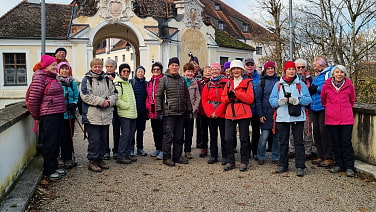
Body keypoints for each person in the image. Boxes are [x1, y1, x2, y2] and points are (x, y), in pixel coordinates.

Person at [269, 61, 312, 177]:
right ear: (285, 71)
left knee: (299, 142)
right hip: (282, 117)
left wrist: (298, 100)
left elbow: (308, 99)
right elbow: (271, 101)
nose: (291, 71)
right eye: (289, 69)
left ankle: (300, 166)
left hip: (297, 116)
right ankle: (283, 164)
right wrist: (279, 102)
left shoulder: (300, 84)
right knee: (283, 142)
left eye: (293, 69)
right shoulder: (278, 84)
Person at [27, 55, 66, 180]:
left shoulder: (53, 78)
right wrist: (37, 116)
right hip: (48, 115)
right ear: (45, 66)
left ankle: (54, 167)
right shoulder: (40, 78)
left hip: (57, 113)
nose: (55, 67)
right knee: (49, 143)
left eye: (55, 64)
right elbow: (33, 100)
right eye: (53, 65)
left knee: (56, 142)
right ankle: (49, 170)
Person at [80, 58, 117, 172]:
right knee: (94, 139)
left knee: (103, 139)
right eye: (95, 66)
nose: (97, 68)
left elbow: (115, 93)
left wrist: (109, 101)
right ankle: (92, 160)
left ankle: (100, 159)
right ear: (91, 67)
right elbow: (85, 95)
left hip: (105, 115)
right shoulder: (87, 80)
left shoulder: (107, 80)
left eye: (99, 66)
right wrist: (101, 102)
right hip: (92, 115)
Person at [156, 57, 192, 167]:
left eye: (176, 65)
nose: (174, 67)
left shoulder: (182, 79)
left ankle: (177, 156)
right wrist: (159, 111)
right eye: (172, 65)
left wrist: (189, 110)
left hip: (181, 112)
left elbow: (187, 96)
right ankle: (166, 157)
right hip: (169, 113)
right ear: (169, 66)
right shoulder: (164, 79)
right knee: (168, 136)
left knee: (179, 136)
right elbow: (159, 96)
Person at [321, 65, 356, 177]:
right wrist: (332, 110)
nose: (339, 74)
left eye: (341, 72)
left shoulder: (349, 85)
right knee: (335, 143)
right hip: (331, 119)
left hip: (346, 119)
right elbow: (324, 101)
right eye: (337, 72)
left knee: (346, 143)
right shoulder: (326, 86)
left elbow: (352, 100)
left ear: (345, 74)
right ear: (333, 74)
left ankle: (349, 166)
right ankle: (339, 164)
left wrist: (344, 110)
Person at [221, 60, 254, 172]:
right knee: (228, 138)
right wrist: (229, 98)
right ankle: (231, 161)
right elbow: (223, 99)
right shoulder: (229, 83)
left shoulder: (248, 83)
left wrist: (236, 93)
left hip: (244, 113)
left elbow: (250, 99)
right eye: (234, 69)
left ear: (241, 70)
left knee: (244, 138)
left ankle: (244, 161)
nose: (236, 71)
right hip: (230, 112)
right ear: (231, 71)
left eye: (238, 69)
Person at [309, 56, 334, 167]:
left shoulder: (328, 74)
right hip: (315, 107)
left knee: (325, 132)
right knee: (317, 132)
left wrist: (317, 89)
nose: (313, 64)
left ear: (321, 64)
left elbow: (330, 88)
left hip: (324, 107)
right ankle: (320, 155)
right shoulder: (317, 76)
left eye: (315, 63)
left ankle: (328, 157)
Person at [201, 63, 228, 164]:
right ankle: (213, 155)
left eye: (217, 69)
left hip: (222, 113)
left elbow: (225, 100)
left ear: (220, 70)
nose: (214, 71)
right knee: (213, 135)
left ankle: (225, 156)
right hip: (211, 114)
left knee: (224, 136)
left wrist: (217, 112)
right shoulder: (207, 85)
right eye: (213, 70)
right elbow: (204, 100)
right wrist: (210, 113)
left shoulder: (225, 83)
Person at [289, 58, 314, 160]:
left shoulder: (310, 79)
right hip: (292, 108)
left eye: (302, 67)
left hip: (307, 108)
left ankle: (308, 151)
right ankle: (292, 150)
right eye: (298, 67)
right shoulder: (290, 78)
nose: (300, 69)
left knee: (307, 130)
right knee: (292, 131)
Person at [255, 61, 280, 165]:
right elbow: (258, 100)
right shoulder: (262, 82)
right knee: (264, 136)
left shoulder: (280, 81)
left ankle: (276, 156)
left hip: (278, 113)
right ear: (265, 70)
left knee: (277, 137)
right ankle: (260, 156)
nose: (270, 70)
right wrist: (260, 114)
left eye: (272, 68)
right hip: (266, 113)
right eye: (268, 68)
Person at [114, 63, 138, 164]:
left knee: (130, 135)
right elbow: (117, 100)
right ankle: (121, 155)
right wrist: (127, 105)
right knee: (125, 135)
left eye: (128, 71)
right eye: (124, 71)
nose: (126, 73)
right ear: (120, 72)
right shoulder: (118, 84)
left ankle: (127, 154)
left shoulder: (128, 83)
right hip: (124, 114)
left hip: (132, 113)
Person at [57, 62, 79, 169]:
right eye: (62, 69)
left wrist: (74, 104)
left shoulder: (72, 83)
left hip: (70, 114)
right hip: (60, 115)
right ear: (59, 70)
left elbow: (76, 96)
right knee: (61, 137)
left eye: (66, 69)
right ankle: (60, 157)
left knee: (69, 137)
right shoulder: (56, 82)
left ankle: (68, 158)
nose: (64, 71)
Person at [182, 63, 201, 159]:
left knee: (189, 132)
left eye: (191, 71)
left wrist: (193, 108)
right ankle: (178, 150)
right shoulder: (180, 81)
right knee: (179, 132)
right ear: (184, 72)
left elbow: (198, 97)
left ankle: (187, 151)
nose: (189, 73)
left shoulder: (194, 83)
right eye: (187, 71)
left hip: (191, 112)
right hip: (181, 111)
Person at [146, 62, 164, 160]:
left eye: (158, 69)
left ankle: (162, 150)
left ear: (161, 70)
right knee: (155, 130)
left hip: (160, 109)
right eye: (154, 69)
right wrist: (148, 107)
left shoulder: (163, 80)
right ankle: (157, 148)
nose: (156, 71)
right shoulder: (150, 82)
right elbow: (148, 96)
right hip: (152, 109)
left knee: (162, 131)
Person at [129, 66, 148, 156]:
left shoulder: (146, 84)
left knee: (141, 130)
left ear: (144, 73)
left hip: (143, 112)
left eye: (142, 71)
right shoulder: (131, 83)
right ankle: (131, 148)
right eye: (139, 71)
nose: (140, 73)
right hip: (133, 111)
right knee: (132, 131)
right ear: (136, 73)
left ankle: (140, 148)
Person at [244, 57, 260, 158]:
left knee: (256, 131)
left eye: (251, 65)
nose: (250, 67)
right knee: (244, 132)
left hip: (256, 108)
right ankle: (246, 151)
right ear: (245, 67)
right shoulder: (242, 77)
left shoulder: (260, 77)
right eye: (247, 65)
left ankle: (255, 151)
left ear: (254, 66)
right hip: (245, 108)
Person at [103, 59, 120, 160]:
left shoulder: (118, 78)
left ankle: (116, 150)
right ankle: (105, 150)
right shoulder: (102, 77)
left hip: (116, 106)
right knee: (105, 130)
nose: (109, 68)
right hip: (106, 106)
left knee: (116, 129)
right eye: (107, 67)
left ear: (115, 67)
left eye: (111, 66)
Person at [196, 65, 211, 157]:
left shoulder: (215, 82)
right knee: (203, 130)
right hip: (202, 110)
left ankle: (214, 148)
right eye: (205, 71)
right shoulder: (199, 83)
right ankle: (204, 147)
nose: (208, 73)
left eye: (209, 71)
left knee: (213, 131)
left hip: (212, 110)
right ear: (202, 74)